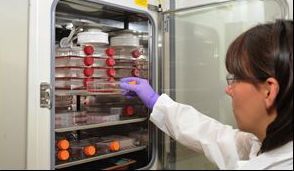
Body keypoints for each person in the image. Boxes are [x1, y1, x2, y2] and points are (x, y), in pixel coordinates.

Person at [120, 19, 293, 170]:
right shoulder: (266, 142)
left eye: (237, 78)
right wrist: (156, 102)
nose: (228, 90)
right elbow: (212, 136)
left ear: (269, 91)